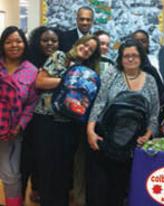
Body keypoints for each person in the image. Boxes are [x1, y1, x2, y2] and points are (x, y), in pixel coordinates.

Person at [86, 39, 159, 206]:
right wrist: (90, 131)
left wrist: (147, 135)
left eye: (134, 55)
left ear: (141, 57)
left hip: (132, 147)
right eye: (126, 56)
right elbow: (99, 102)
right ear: (120, 58)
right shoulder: (112, 74)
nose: (130, 59)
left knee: (119, 193)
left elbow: (154, 114)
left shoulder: (150, 81)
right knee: (99, 191)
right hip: (104, 141)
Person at [33, 34, 100, 206]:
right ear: (78, 43)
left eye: (90, 50)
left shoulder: (87, 71)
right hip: (48, 119)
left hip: (70, 124)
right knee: (47, 168)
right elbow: (40, 82)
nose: (86, 49)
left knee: (63, 171)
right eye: (85, 45)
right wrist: (69, 82)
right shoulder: (59, 56)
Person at [21, 26, 61, 202]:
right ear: (37, 41)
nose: (50, 44)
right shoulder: (28, 61)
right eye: (45, 40)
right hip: (25, 120)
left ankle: (39, 191)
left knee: (44, 160)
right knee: (25, 161)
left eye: (54, 40)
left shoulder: (60, 61)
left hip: (47, 121)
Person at [0, 26, 38, 206]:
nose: (14, 45)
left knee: (11, 175)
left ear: (24, 44)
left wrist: (20, 125)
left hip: (12, 133)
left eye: (18, 41)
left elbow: (31, 104)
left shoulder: (31, 70)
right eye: (8, 42)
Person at [131, 29, 164, 104]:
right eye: (136, 41)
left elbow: (161, 94)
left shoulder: (153, 66)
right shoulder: (123, 64)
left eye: (143, 41)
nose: (139, 44)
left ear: (148, 44)